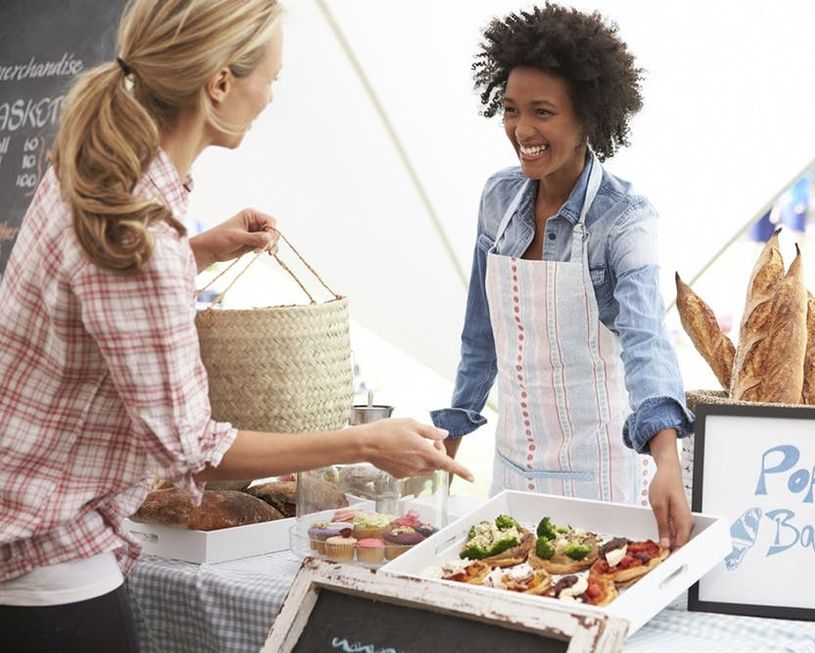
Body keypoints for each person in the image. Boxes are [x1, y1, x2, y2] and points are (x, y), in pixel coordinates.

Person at [0, 2, 471, 650]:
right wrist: (365, 443)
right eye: (270, 78)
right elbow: (198, 448)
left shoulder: (98, 170)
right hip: (51, 578)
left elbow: (87, 295)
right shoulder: (141, 238)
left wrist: (199, 250)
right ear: (219, 82)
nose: (271, 97)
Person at [432, 4, 694, 551]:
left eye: (543, 112)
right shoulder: (498, 197)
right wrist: (453, 428)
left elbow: (648, 340)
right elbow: (481, 334)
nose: (522, 129)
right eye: (510, 109)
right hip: (511, 473)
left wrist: (667, 458)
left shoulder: (624, 219)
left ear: (587, 118)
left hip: (601, 479)